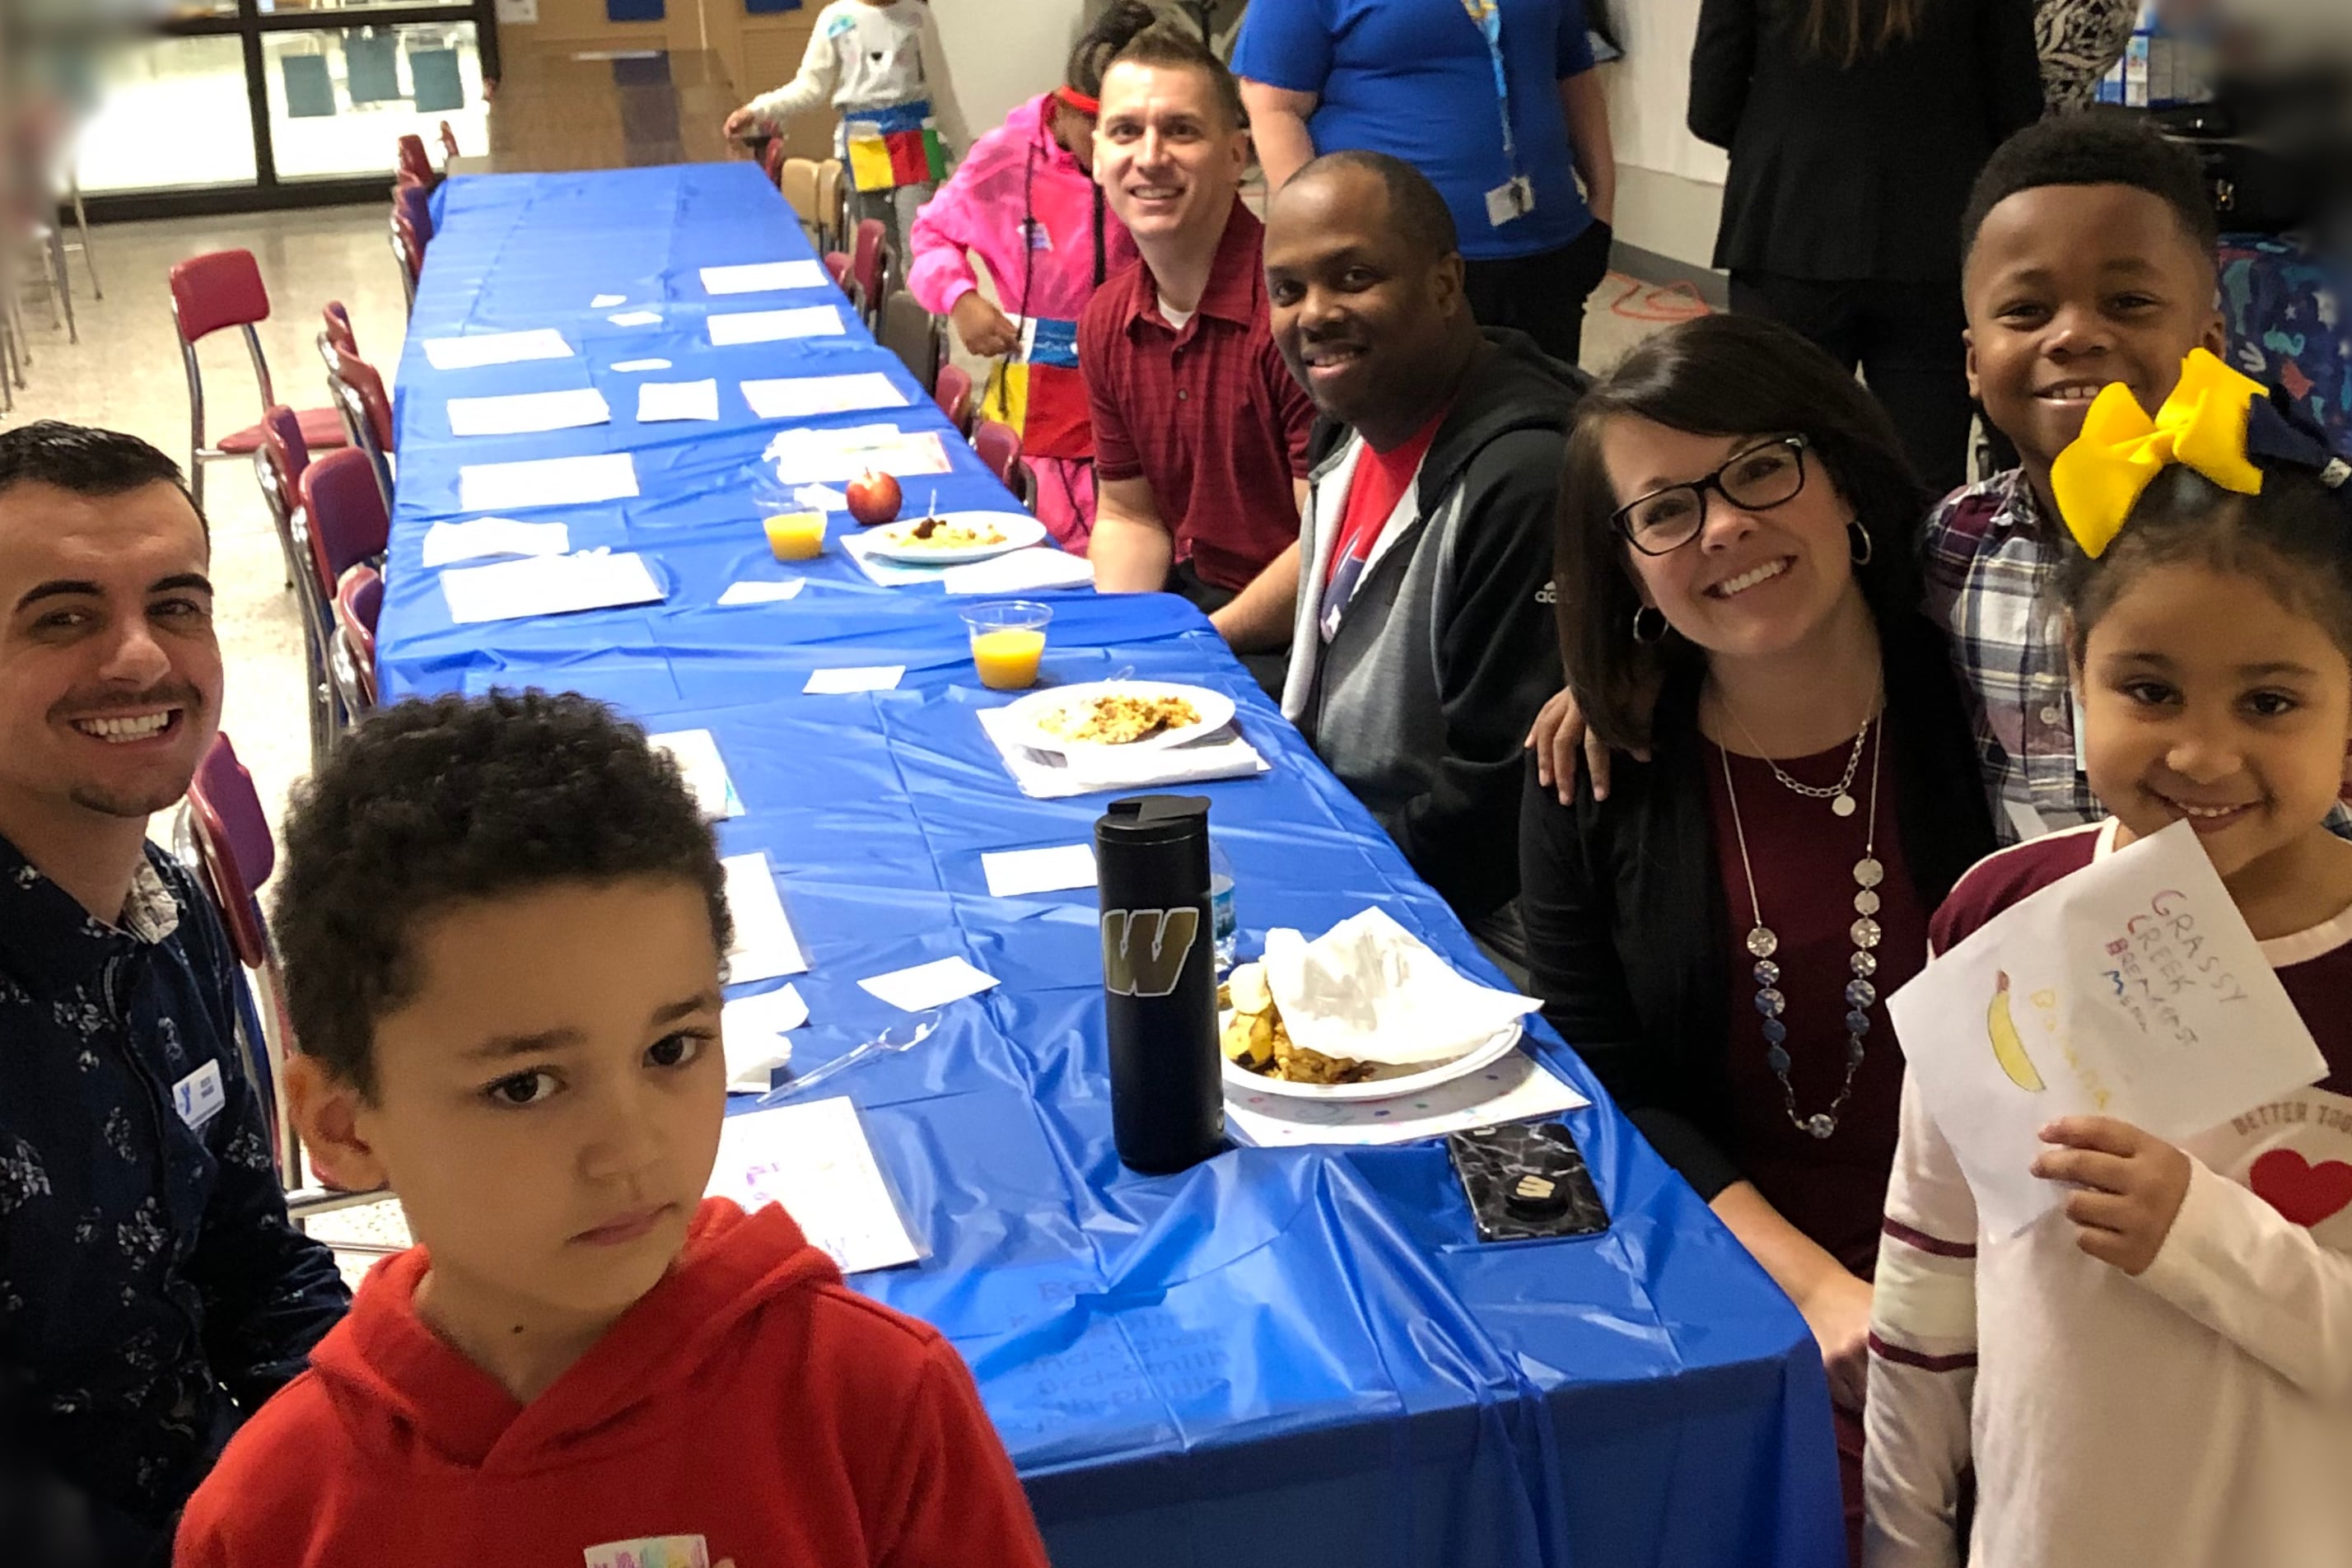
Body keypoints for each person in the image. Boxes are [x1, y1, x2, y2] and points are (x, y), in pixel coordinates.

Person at [175, 692, 1052, 1567]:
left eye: (672, 1047)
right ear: (344, 1125)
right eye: (524, 1085)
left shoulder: (875, 1407)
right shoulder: (273, 1517)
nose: (633, 1149)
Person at [1519, 315, 1997, 1561]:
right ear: (1626, 567)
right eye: (1665, 510)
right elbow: (1600, 1073)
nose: (1722, 525)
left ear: (1843, 481)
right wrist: (1814, 1289)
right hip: (1726, 1254)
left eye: (1760, 469)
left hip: (2001, 1241)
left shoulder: (1990, 716)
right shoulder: (1596, 770)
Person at [1866, 352, 2352, 1567]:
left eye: (2271, 703)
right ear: (2072, 664)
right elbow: (1930, 1267)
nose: (2199, 753)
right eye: (2148, 687)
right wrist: (1902, 1533)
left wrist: (2201, 1235)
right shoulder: (2002, 914)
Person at [0, 422, 348, 1566]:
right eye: (63, 617)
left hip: (228, 1504)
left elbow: (252, 1262)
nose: (143, 659)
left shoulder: (164, 904)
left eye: (177, 605)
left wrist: (401, 1430)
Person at [1257, 151, 1582, 956]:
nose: (1315, 314)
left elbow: (1494, 813)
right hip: (1353, 838)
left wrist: (1306, 879)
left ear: (1444, 284)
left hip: (1472, 927)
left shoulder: (1524, 481)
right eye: (1288, 291)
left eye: (1354, 276)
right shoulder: (1347, 430)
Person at [1689, 0, 2042, 494]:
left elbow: (1709, 108)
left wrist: (1792, 148)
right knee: (1926, 471)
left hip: (1788, 231)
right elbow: (2018, 109)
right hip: (1932, 236)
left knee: (1779, 460)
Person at [1080, 25, 1318, 670]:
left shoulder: (1297, 312)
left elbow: (1329, 542)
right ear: (1097, 154)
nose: (1150, 157)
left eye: (1181, 131)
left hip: (1309, 632)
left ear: (1236, 155)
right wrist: (1124, 648)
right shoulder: (1106, 320)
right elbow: (1131, 517)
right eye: (1126, 132)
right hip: (1203, 608)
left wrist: (1193, 647)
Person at [1233, 0, 1619, 370]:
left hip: (1548, 247)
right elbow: (1274, 108)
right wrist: (1319, 255)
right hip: (1392, 267)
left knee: (1551, 415)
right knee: (1419, 423)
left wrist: (1603, 206)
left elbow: (1573, 70)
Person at [904, 2, 1156, 552]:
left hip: (1141, 387)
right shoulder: (1005, 158)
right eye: (1093, 125)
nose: (1105, 145)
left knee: (1139, 541)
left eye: (1123, 129)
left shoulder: (1152, 158)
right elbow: (929, 234)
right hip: (1036, 411)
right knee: (1049, 544)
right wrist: (960, 298)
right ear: (1061, 107)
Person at [722, 0, 968, 256]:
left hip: (915, 140)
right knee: (881, 251)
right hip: (864, 144)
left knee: (921, 243)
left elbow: (941, 91)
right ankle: (890, 297)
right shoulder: (836, 19)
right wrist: (757, 110)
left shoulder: (917, 16)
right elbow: (811, 87)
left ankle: (924, 296)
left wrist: (966, 158)